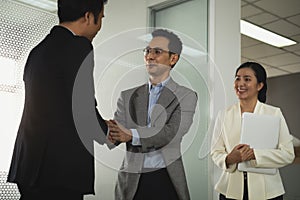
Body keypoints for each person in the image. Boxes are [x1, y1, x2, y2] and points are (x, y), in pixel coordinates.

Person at [7, 0, 109, 199]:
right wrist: (107, 132)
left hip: (27, 165)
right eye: (101, 18)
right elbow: (83, 105)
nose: (99, 26)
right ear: (89, 16)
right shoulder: (79, 46)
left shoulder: (37, 51)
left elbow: (58, 104)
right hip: (58, 170)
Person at [107, 29, 198, 200]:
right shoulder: (127, 96)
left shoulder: (186, 96)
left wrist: (131, 134)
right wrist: (105, 127)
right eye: (147, 51)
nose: (150, 56)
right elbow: (116, 134)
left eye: (157, 51)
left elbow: (171, 133)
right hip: (132, 181)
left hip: (166, 179)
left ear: (173, 58)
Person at [210, 62, 295, 200]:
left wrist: (255, 155)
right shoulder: (224, 115)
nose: (240, 83)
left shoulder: (274, 113)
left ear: (259, 86)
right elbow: (215, 152)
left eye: (247, 79)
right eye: (237, 78)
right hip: (230, 191)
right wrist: (229, 158)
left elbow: (288, 154)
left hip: (268, 192)